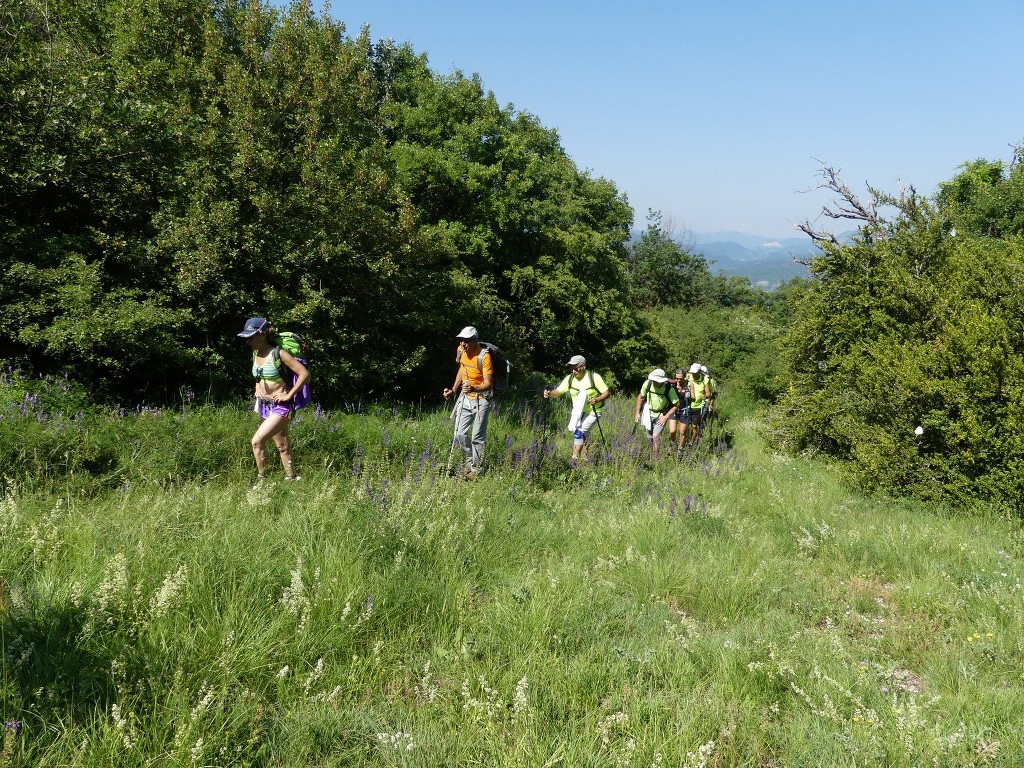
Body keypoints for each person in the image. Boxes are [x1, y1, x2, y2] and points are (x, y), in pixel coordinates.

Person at [238, 317, 311, 482]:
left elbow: (304, 374)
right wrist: (258, 390)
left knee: (256, 441)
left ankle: (262, 480)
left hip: (281, 406)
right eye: (246, 337)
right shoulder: (255, 353)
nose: (248, 341)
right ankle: (291, 478)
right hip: (265, 405)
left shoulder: (279, 353)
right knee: (282, 445)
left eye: (251, 337)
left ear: (263, 334)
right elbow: (260, 375)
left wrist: (289, 395)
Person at [442, 326, 493, 479]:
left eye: (467, 341)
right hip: (464, 398)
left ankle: (476, 470)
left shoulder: (484, 357)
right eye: (461, 340)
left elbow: (489, 383)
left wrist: (473, 388)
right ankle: (470, 462)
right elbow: (462, 370)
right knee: (459, 434)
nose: (463, 343)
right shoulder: (461, 351)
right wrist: (453, 390)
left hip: (482, 399)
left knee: (477, 437)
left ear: (475, 340)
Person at [543, 354, 610, 466]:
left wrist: (597, 399)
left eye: (576, 367)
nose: (573, 370)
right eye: (571, 368)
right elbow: (558, 392)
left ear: (583, 366)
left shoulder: (594, 377)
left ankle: (574, 461)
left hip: (593, 411)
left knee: (578, 432)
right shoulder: (569, 379)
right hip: (578, 412)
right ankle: (586, 459)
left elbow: (607, 392)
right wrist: (549, 394)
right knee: (584, 434)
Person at [634, 368, 680, 457]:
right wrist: (637, 412)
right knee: (650, 437)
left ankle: (655, 458)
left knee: (656, 436)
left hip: (661, 415)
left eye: (657, 381)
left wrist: (666, 417)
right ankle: (652, 454)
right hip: (648, 413)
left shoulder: (669, 389)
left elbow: (677, 404)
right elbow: (641, 397)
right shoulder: (647, 384)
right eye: (654, 380)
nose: (656, 382)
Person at [680, 362, 711, 446]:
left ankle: (691, 442)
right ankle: (683, 442)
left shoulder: (705, 380)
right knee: (684, 428)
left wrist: (704, 396)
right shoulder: (688, 377)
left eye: (695, 372)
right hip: (687, 405)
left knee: (694, 427)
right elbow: (680, 381)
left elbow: (708, 394)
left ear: (699, 372)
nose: (693, 374)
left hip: (698, 406)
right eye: (692, 372)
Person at [667, 366, 691, 452]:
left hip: (685, 409)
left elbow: (694, 398)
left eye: (680, 378)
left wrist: (690, 396)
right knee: (672, 431)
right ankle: (673, 444)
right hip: (674, 409)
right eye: (677, 378)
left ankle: (680, 449)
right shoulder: (672, 384)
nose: (678, 381)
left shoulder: (689, 385)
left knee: (682, 432)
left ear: (684, 377)